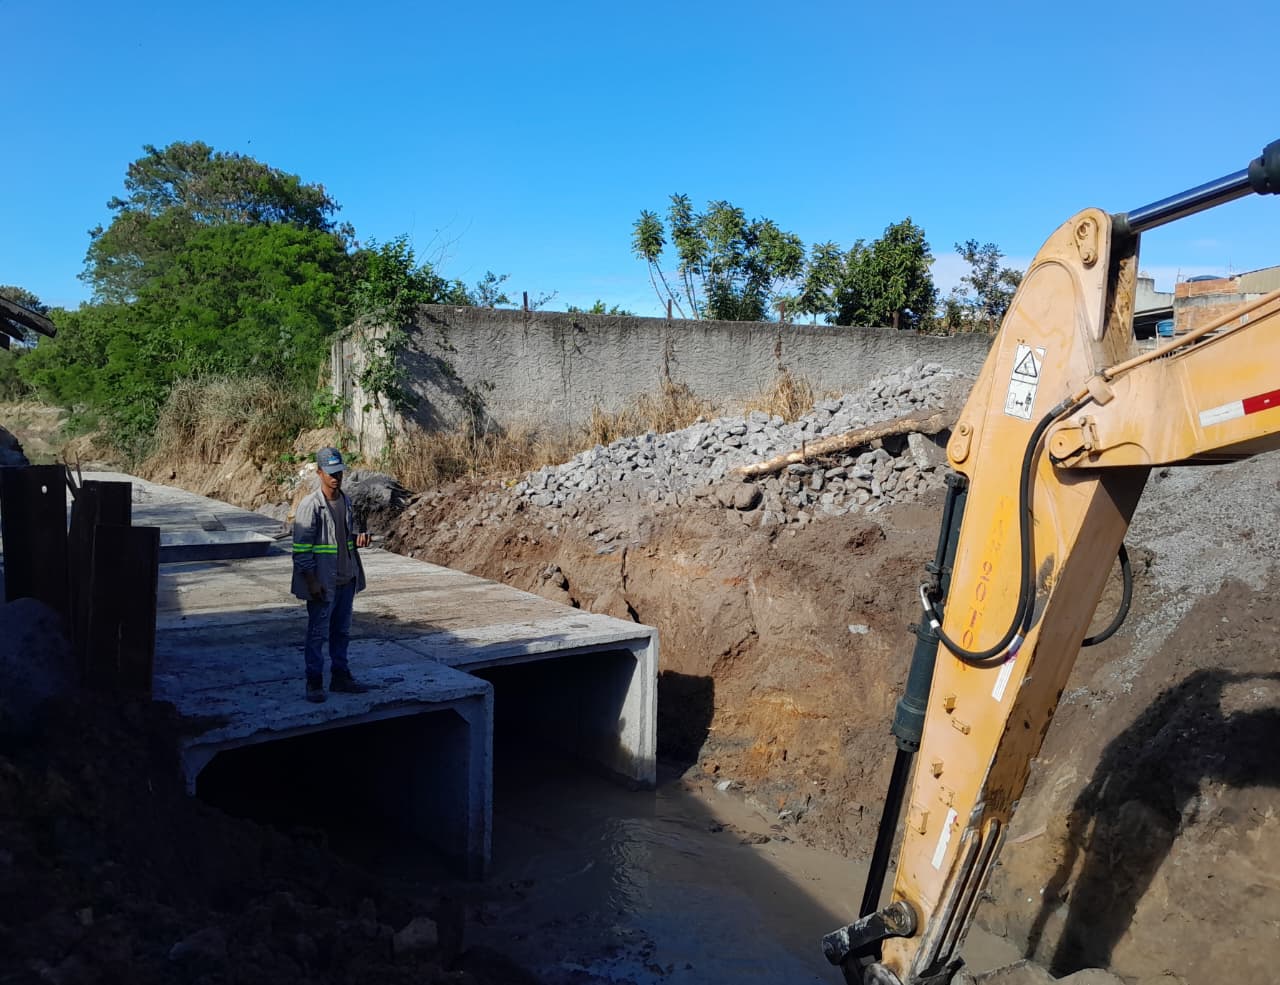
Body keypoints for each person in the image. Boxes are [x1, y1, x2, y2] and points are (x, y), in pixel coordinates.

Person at [291, 446, 371, 702]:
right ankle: (314, 682)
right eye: (331, 473)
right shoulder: (310, 506)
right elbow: (301, 549)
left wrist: (358, 539)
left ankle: (340, 676)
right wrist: (312, 581)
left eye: (339, 472)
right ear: (319, 472)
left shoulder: (346, 501)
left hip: (346, 580)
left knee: (342, 632)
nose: (336, 477)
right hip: (324, 583)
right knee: (317, 634)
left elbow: (344, 538)